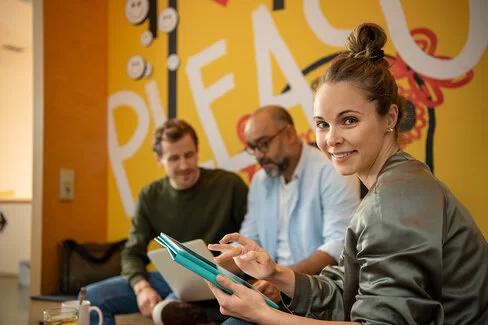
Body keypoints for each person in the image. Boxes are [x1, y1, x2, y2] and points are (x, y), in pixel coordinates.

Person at [206, 23, 488, 325]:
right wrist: (276, 273)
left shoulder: (393, 200)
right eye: (323, 124)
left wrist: (262, 314)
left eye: (349, 121)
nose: (331, 139)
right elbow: (348, 291)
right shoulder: (395, 183)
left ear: (390, 117)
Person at [84, 119, 248, 325]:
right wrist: (142, 287)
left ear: (197, 151)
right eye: (174, 158)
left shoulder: (229, 186)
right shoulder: (150, 196)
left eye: (189, 155)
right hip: (168, 277)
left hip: (218, 276)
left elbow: (252, 238)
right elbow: (132, 252)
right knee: (91, 298)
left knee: (170, 310)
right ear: (159, 160)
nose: (184, 165)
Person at [239, 105, 359, 302]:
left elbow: (338, 245)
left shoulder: (330, 171)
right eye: (252, 148)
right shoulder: (261, 181)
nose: (259, 155)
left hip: (318, 290)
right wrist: (212, 268)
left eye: (263, 144)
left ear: (289, 134)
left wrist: (282, 279)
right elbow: (249, 238)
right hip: (270, 288)